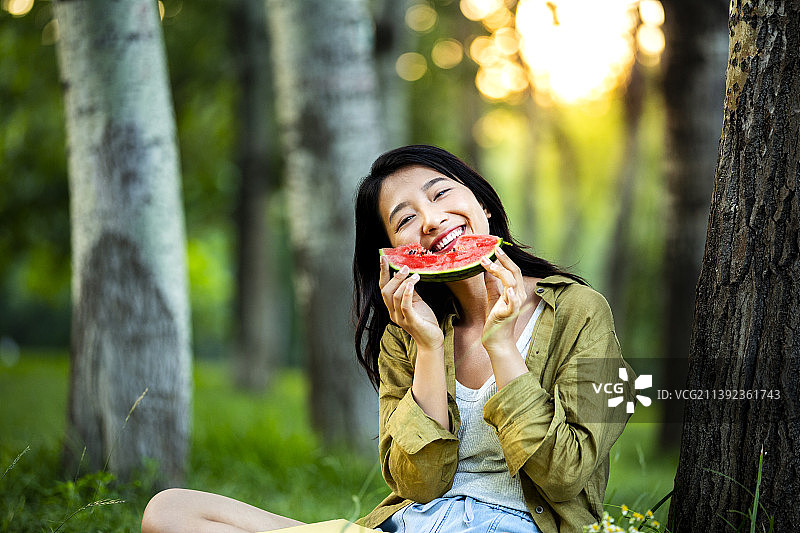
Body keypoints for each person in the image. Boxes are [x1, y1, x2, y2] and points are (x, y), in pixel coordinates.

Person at [141, 145, 635, 533]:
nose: (431, 220)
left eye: (440, 195)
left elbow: (566, 474)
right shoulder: (407, 333)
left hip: (515, 526)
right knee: (170, 511)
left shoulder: (580, 311)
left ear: (481, 203)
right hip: (409, 524)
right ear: (394, 252)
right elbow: (419, 485)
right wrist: (428, 347)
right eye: (405, 219)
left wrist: (502, 348)